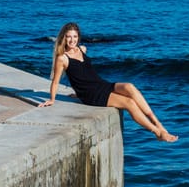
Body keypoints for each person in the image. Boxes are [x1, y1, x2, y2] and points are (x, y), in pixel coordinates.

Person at [38, 22, 178, 142]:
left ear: (78, 37)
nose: (72, 40)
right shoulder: (62, 58)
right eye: (69, 37)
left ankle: (159, 123)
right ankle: (157, 132)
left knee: (129, 87)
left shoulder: (82, 49)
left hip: (101, 84)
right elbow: (56, 81)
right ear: (64, 38)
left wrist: (76, 92)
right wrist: (52, 99)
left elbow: (82, 74)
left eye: (74, 36)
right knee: (129, 103)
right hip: (92, 94)